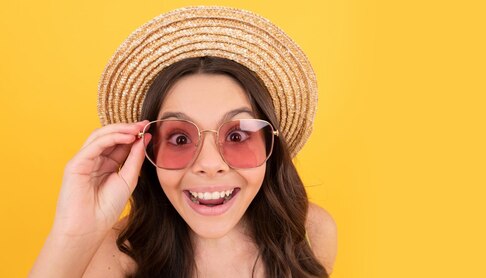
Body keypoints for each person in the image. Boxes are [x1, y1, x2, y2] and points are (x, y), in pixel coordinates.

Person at [30, 6, 337, 278]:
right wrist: (73, 234)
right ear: (148, 151)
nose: (209, 165)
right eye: (179, 138)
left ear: (270, 147)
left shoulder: (312, 233)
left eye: (236, 136)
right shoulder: (113, 256)